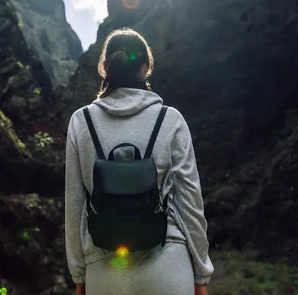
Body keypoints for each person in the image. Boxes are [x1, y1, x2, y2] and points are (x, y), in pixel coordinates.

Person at [65, 28, 213, 295]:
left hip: (105, 271)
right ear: (146, 68)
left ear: (104, 67)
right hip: (168, 265)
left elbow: (74, 204)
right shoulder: (171, 120)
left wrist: (79, 274)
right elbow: (191, 201)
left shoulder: (80, 121)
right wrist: (201, 273)